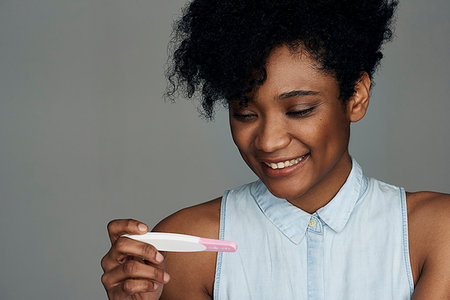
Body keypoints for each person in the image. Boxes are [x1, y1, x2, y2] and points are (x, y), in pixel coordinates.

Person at [100, 0, 450, 299]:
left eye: (299, 110)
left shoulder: (435, 233)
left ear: (356, 96)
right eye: (245, 113)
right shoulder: (189, 248)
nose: (268, 141)